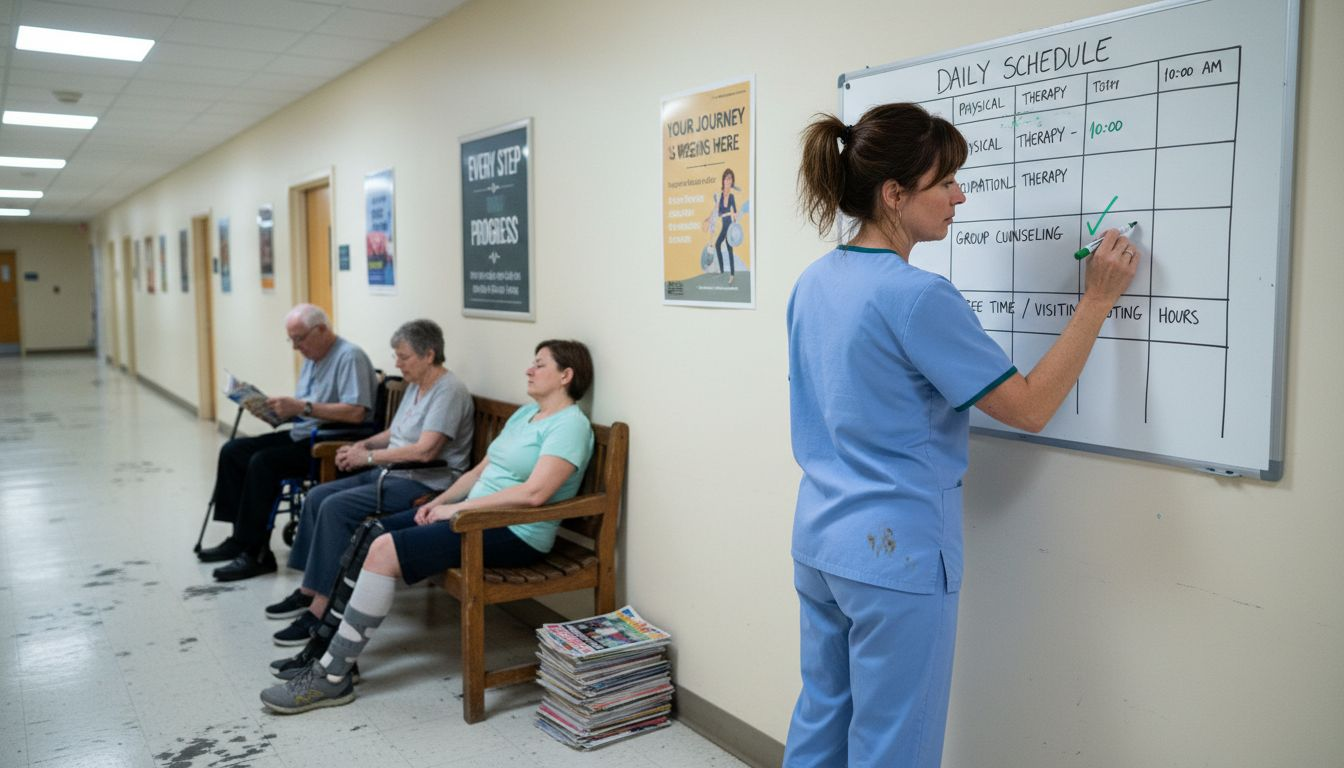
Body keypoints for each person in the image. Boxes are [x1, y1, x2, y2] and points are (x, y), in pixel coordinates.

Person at [784, 103, 1138, 767]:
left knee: (822, 719)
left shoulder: (814, 281)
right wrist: (1096, 302)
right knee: (894, 747)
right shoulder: (917, 297)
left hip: (821, 542)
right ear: (894, 195)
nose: (959, 195)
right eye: (944, 182)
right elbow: (1028, 408)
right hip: (896, 557)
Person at [259, 340, 595, 714]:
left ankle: (333, 677)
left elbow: (535, 494)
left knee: (384, 551)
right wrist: (440, 503)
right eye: (532, 362)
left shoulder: (571, 426)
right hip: (474, 517)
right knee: (370, 533)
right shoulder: (525, 416)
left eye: (539, 364)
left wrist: (458, 511)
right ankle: (324, 649)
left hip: (515, 532)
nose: (529, 370)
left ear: (566, 375)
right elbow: (479, 471)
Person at [266, 319, 475, 645]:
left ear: (429, 354)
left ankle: (320, 611)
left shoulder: (449, 391)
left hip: (425, 485)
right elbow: (396, 433)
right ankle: (310, 590)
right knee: (319, 495)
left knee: (336, 508)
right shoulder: (417, 386)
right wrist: (366, 445)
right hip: (394, 473)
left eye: (403, 356)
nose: (397, 363)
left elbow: (425, 451)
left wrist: (368, 459)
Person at [200, 304, 378, 582]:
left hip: (330, 442)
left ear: (321, 330)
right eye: (292, 339)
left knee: (264, 463)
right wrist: (273, 411)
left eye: (300, 338)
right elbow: (306, 408)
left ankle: (257, 553)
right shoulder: (312, 357)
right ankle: (239, 538)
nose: (296, 346)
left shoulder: (349, 356)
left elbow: (356, 412)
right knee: (233, 451)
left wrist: (301, 408)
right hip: (303, 433)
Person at [703, 168, 740, 283]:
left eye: (730, 179)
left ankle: (732, 275)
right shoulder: (720, 196)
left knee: (729, 249)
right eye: (726, 178)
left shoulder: (732, 196)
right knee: (718, 244)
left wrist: (734, 216)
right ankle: (723, 271)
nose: (728, 181)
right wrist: (709, 218)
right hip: (723, 225)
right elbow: (716, 209)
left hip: (729, 225)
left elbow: (735, 212)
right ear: (723, 180)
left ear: (731, 182)